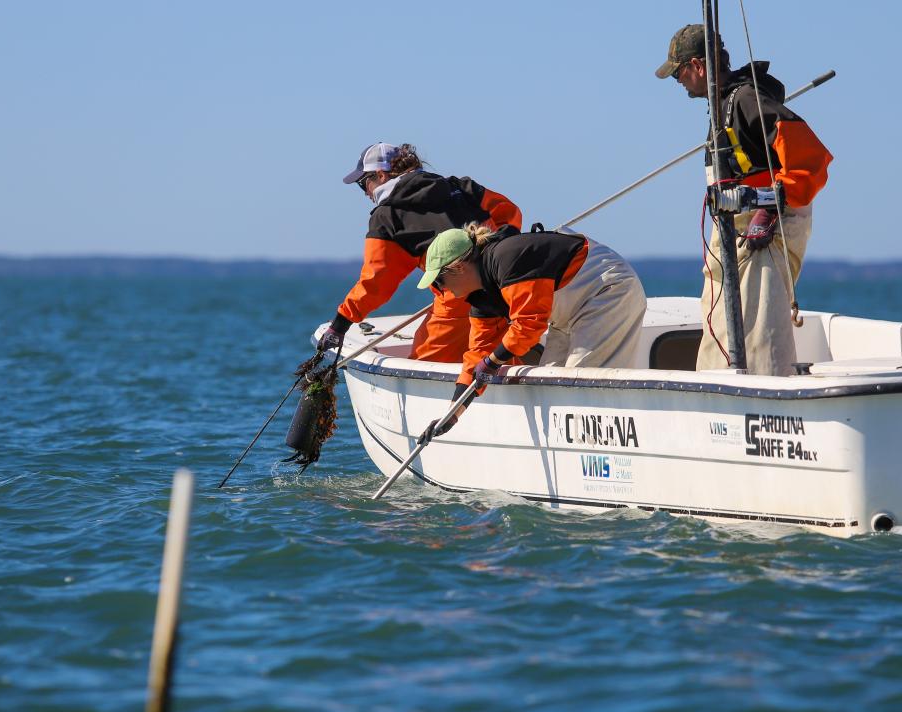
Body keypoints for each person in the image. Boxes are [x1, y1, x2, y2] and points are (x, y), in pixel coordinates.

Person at [656, 24, 832, 375]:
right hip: (735, 229)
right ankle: (720, 395)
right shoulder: (723, 106)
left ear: (698, 66)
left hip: (765, 231)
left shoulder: (747, 100)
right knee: (721, 321)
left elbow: (811, 158)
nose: (678, 80)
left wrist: (769, 207)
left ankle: (770, 397)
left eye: (679, 72)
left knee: (759, 328)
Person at [414, 223, 647, 438]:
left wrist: (493, 361)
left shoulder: (508, 260)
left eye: (439, 282)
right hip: (570, 312)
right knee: (549, 382)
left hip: (608, 290)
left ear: (459, 267)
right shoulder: (482, 298)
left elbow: (529, 325)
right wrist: (452, 416)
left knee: (579, 384)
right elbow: (476, 357)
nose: (440, 290)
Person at [316, 142, 522, 363]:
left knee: (425, 362)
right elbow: (509, 213)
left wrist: (341, 324)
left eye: (363, 183)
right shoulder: (459, 186)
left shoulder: (387, 217)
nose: (365, 192)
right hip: (509, 284)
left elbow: (377, 281)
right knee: (502, 354)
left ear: (381, 175)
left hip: (460, 297)